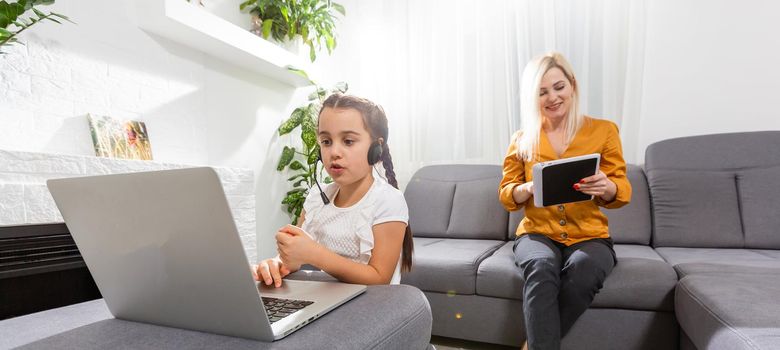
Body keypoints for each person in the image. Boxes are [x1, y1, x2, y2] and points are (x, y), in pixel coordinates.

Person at [499, 52, 632, 350]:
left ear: (572, 85)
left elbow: (621, 189)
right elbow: (506, 194)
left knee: (586, 270)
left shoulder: (604, 130)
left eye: (559, 87)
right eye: (542, 92)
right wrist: (527, 188)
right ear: (533, 97)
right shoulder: (522, 138)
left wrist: (607, 186)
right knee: (541, 266)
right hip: (536, 233)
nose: (552, 97)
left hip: (589, 235)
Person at [252, 93, 413, 286]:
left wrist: (315, 254)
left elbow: (379, 278)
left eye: (348, 141)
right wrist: (277, 264)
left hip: (372, 301)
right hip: (329, 298)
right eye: (326, 142)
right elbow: (294, 257)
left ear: (376, 149)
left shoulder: (388, 200)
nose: (334, 153)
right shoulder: (316, 198)